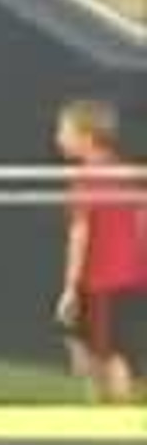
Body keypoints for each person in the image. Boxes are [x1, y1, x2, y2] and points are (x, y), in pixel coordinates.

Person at [56, 96, 144, 406]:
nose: (58, 138)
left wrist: (70, 286)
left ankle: (116, 421)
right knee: (108, 350)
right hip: (133, 279)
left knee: (110, 355)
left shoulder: (86, 179)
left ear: (87, 137)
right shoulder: (130, 175)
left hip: (102, 281)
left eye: (64, 131)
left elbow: (79, 233)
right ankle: (112, 412)